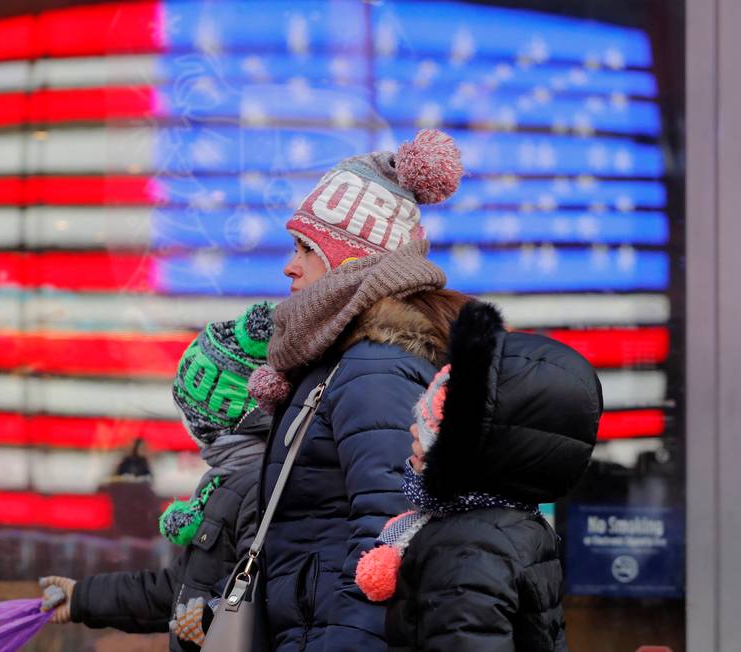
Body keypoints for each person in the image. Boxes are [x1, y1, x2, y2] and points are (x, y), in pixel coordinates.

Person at [244, 129, 469, 651]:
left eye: (305, 247)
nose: (289, 265)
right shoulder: (344, 360)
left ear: (353, 262)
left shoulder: (375, 368)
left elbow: (386, 542)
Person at [354, 301, 602, 651]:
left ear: (466, 445)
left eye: (432, 424)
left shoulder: (466, 546)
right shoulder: (514, 525)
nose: (414, 429)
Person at [40, 303, 275, 651]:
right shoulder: (229, 484)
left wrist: (212, 620)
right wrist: (81, 598)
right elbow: (179, 590)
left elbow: (269, 599)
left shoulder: (257, 487)